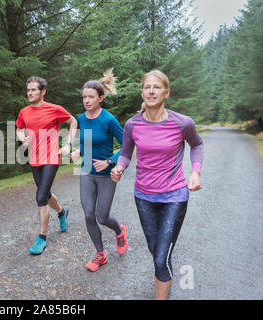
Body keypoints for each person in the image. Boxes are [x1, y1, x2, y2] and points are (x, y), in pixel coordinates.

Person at [110, 70, 203, 299]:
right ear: (142, 92)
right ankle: (165, 278)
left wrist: (195, 172)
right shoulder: (133, 125)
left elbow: (197, 145)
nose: (151, 91)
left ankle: (162, 290)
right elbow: (125, 153)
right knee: (156, 251)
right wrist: (120, 167)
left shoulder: (182, 123)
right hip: (144, 197)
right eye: (147, 87)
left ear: (166, 92)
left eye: (156, 87)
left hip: (174, 196)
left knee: (161, 258)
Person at [70, 68, 128, 272]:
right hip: (86, 171)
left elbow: (127, 146)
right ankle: (100, 254)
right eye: (84, 97)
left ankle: (119, 231)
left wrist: (110, 162)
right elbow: (86, 141)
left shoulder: (109, 120)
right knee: (88, 214)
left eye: (91, 97)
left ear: (100, 98)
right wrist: (78, 150)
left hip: (105, 175)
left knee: (102, 217)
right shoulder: (81, 118)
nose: (86, 100)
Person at [16, 76, 78, 255]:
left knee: (41, 196)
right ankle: (61, 212)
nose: (30, 93)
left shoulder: (54, 109)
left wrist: (68, 144)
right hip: (34, 159)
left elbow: (73, 121)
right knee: (46, 193)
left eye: (34, 90)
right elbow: (19, 129)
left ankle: (41, 238)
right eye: (28, 90)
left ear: (43, 92)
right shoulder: (24, 112)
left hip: (51, 157)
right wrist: (22, 137)